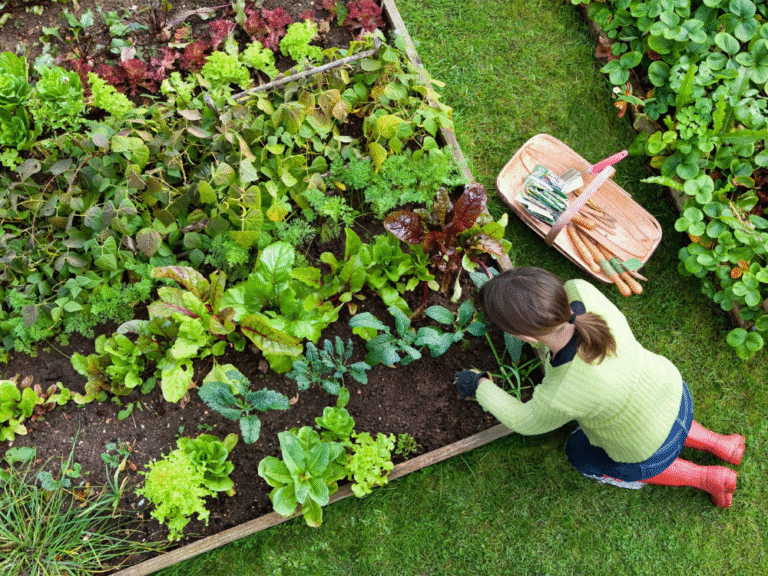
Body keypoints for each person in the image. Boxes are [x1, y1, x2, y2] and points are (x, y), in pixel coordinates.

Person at [453, 266, 745, 508]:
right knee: (660, 418)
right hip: (672, 392)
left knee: (579, 452)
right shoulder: (581, 291)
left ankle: (706, 478)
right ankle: (722, 444)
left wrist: (479, 385)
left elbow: (524, 421)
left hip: (646, 446)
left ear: (527, 337)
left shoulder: (562, 391)